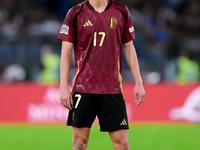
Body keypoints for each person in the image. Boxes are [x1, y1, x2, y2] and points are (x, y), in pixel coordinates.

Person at [58, 0, 145, 150]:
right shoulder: (75, 13)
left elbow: (129, 47)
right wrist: (63, 86)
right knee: (79, 143)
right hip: (82, 88)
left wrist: (139, 82)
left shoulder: (121, 11)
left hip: (112, 88)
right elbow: (66, 52)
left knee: (122, 144)